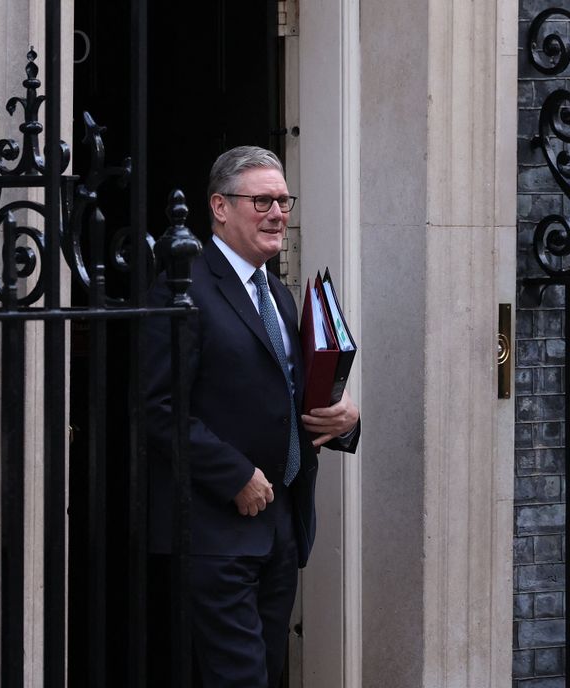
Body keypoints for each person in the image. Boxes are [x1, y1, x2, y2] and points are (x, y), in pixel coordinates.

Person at [144, 146, 361, 687]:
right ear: (219, 207)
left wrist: (343, 420)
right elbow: (158, 407)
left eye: (284, 201)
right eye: (262, 200)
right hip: (215, 532)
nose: (278, 213)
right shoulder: (182, 288)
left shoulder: (281, 294)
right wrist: (234, 475)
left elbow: (289, 396)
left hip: (280, 529)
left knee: (266, 673)